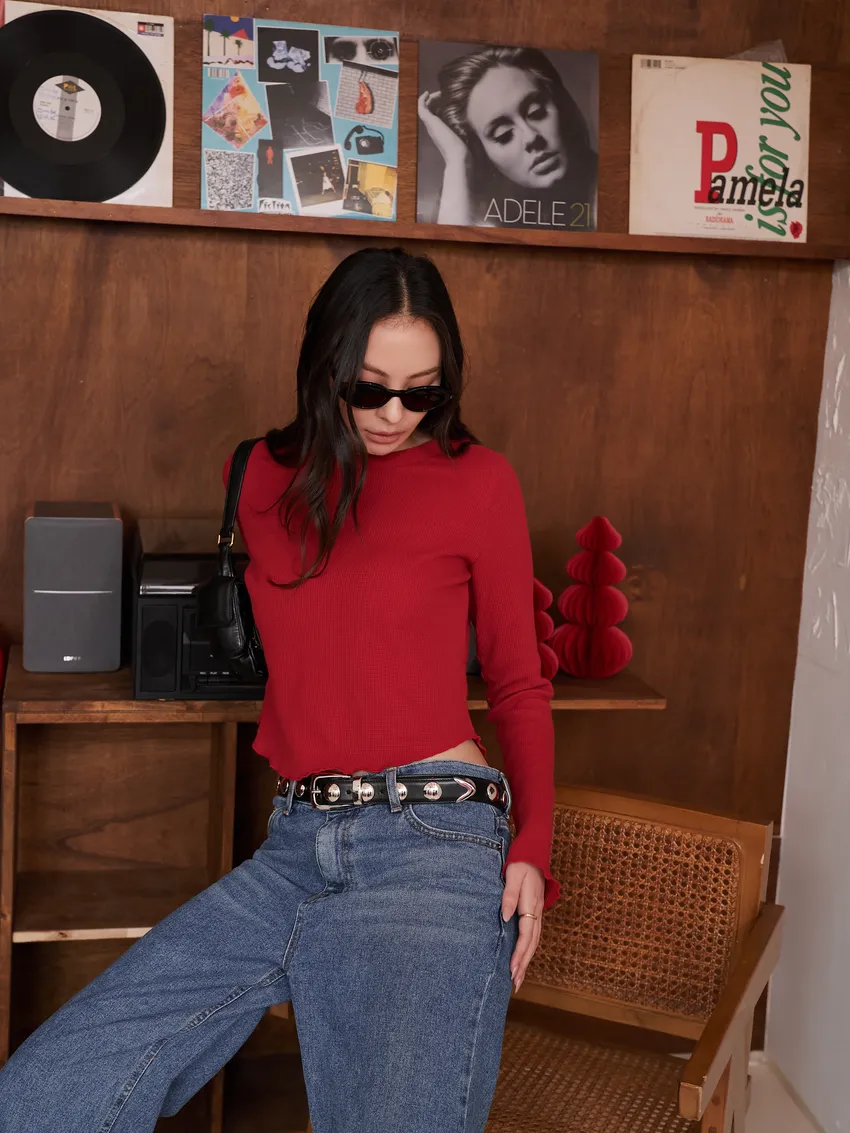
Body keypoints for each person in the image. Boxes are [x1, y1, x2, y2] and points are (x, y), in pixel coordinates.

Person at [0, 247, 560, 1133]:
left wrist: (532, 845)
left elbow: (519, 681)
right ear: (325, 366)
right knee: (46, 1090)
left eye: (423, 393)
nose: (395, 414)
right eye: (370, 388)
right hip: (296, 840)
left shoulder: (479, 481)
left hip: (433, 840)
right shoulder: (259, 473)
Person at [418, 44, 598, 229]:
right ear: (482, 152)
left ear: (560, 104)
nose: (531, 137)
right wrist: (458, 159)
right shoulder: (483, 213)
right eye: (503, 135)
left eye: (536, 113)